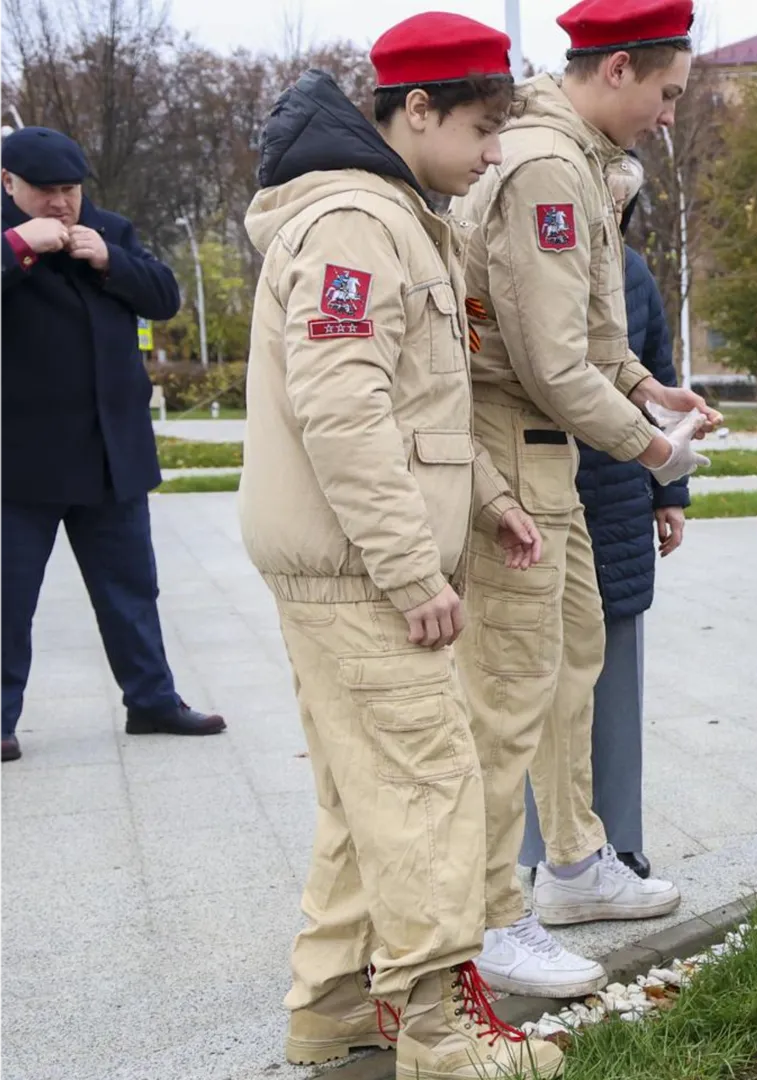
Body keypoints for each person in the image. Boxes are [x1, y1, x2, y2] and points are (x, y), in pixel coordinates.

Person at [240, 14, 565, 1078]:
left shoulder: (392, 215)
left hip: (346, 560)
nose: (495, 155)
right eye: (482, 129)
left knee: (362, 788)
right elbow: (343, 413)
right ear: (416, 110)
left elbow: (416, 403)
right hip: (362, 572)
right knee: (430, 780)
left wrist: (486, 499)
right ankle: (438, 1030)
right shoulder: (355, 224)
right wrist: (412, 570)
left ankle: (332, 1004)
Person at [450, 0, 721, 998]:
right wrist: (655, 450)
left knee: (571, 661)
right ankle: (491, 915)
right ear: (617, 71)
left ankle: (571, 864)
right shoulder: (548, 170)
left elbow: (591, 335)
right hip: (509, 445)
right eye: (667, 92)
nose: (668, 114)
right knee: (511, 690)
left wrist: (649, 387)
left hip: (543, 447)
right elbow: (553, 365)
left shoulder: (574, 156)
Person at [0, 125, 226, 765]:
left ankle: (152, 701)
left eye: (70, 189)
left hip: (110, 454)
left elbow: (165, 297)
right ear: (8, 183)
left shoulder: (110, 230)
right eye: (45, 191)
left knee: (132, 591)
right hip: (19, 461)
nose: (61, 203)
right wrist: (19, 245)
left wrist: (108, 260)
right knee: (8, 600)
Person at [519, 158, 687, 883]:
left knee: (613, 679)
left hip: (616, 492)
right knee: (536, 677)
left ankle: (620, 838)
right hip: (537, 486)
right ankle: (539, 851)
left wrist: (671, 492)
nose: (607, 216)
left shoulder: (634, 274)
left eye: (618, 206)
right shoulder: (528, 264)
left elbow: (656, 375)